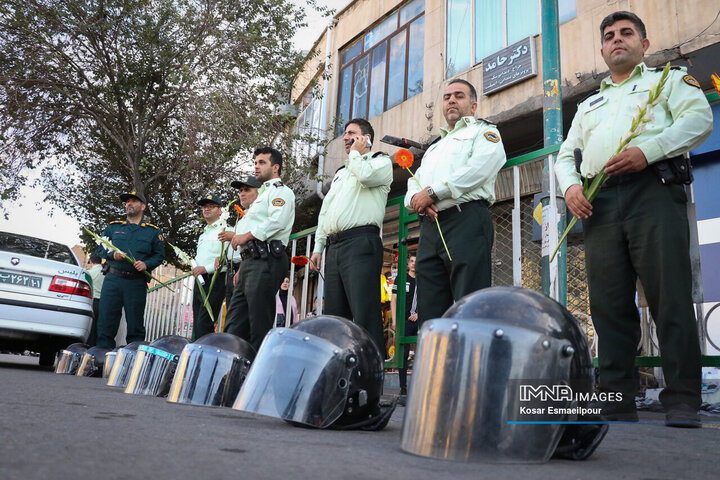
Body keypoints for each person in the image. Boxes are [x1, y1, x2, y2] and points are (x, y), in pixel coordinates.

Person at [554, 11, 712, 427]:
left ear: (644, 42)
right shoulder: (589, 104)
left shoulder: (669, 82)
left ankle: (681, 398)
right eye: (608, 36)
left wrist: (650, 149)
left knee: (669, 295)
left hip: (653, 191)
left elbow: (698, 121)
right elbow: (566, 155)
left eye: (626, 33)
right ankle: (616, 396)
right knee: (608, 304)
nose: (616, 40)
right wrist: (571, 188)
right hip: (599, 202)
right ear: (603, 49)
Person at [404, 79, 506, 326]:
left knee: (469, 303)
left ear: (472, 106)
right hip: (430, 227)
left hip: (466, 220)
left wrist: (434, 192)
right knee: (430, 309)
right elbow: (413, 185)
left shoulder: (483, 131)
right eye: (447, 96)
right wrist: (417, 200)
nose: (451, 100)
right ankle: (437, 364)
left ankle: (470, 364)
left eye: (458, 96)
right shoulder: (434, 148)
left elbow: (481, 167)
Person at [310, 118, 392, 351]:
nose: (346, 138)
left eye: (352, 134)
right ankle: (339, 373)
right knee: (335, 316)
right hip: (334, 247)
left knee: (365, 313)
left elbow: (365, 177)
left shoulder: (380, 161)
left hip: (360, 243)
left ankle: (370, 375)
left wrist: (356, 154)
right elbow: (326, 210)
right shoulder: (341, 173)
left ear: (366, 139)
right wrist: (318, 247)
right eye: (345, 134)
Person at [223, 147, 295, 351]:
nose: (256, 166)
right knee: (234, 323)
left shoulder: (281, 191)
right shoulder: (261, 195)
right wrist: (242, 266)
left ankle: (256, 375)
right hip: (249, 262)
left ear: (275, 167)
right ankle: (234, 370)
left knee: (258, 323)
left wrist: (245, 236)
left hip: (267, 259)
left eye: (262, 162)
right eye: (255, 162)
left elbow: (277, 221)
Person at [94, 191, 165, 349]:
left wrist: (146, 264)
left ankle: (133, 359)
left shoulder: (153, 232)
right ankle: (101, 359)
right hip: (113, 280)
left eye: (134, 201)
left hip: (136, 282)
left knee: (135, 325)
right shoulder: (113, 228)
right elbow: (99, 249)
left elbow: (159, 255)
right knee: (106, 322)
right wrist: (112, 254)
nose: (129, 204)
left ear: (143, 206)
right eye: (127, 202)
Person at [191, 193, 227, 340]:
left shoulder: (225, 230)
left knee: (204, 323)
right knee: (197, 323)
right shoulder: (203, 234)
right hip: (199, 280)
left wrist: (206, 269)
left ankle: (202, 356)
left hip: (215, 279)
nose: (207, 209)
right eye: (205, 207)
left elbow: (228, 256)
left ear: (220, 211)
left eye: (211, 206)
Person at [220, 176, 261, 306]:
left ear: (259, 192)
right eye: (241, 190)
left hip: (258, 264)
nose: (242, 194)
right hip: (243, 266)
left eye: (247, 190)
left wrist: (234, 235)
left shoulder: (260, 212)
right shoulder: (244, 217)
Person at [391, 253, 417, 402]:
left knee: (423, 354)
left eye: (416, 261)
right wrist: (394, 320)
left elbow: (427, 299)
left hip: (419, 320)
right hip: (404, 321)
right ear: (408, 264)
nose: (414, 264)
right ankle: (403, 388)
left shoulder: (423, 279)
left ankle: (420, 387)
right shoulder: (401, 278)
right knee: (403, 355)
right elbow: (393, 300)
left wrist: (419, 314)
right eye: (411, 261)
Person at [86, 255, 105, 346]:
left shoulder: (89, 273)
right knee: (100, 327)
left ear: (91, 261)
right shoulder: (106, 272)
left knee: (91, 327)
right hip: (104, 302)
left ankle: (90, 347)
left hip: (93, 302)